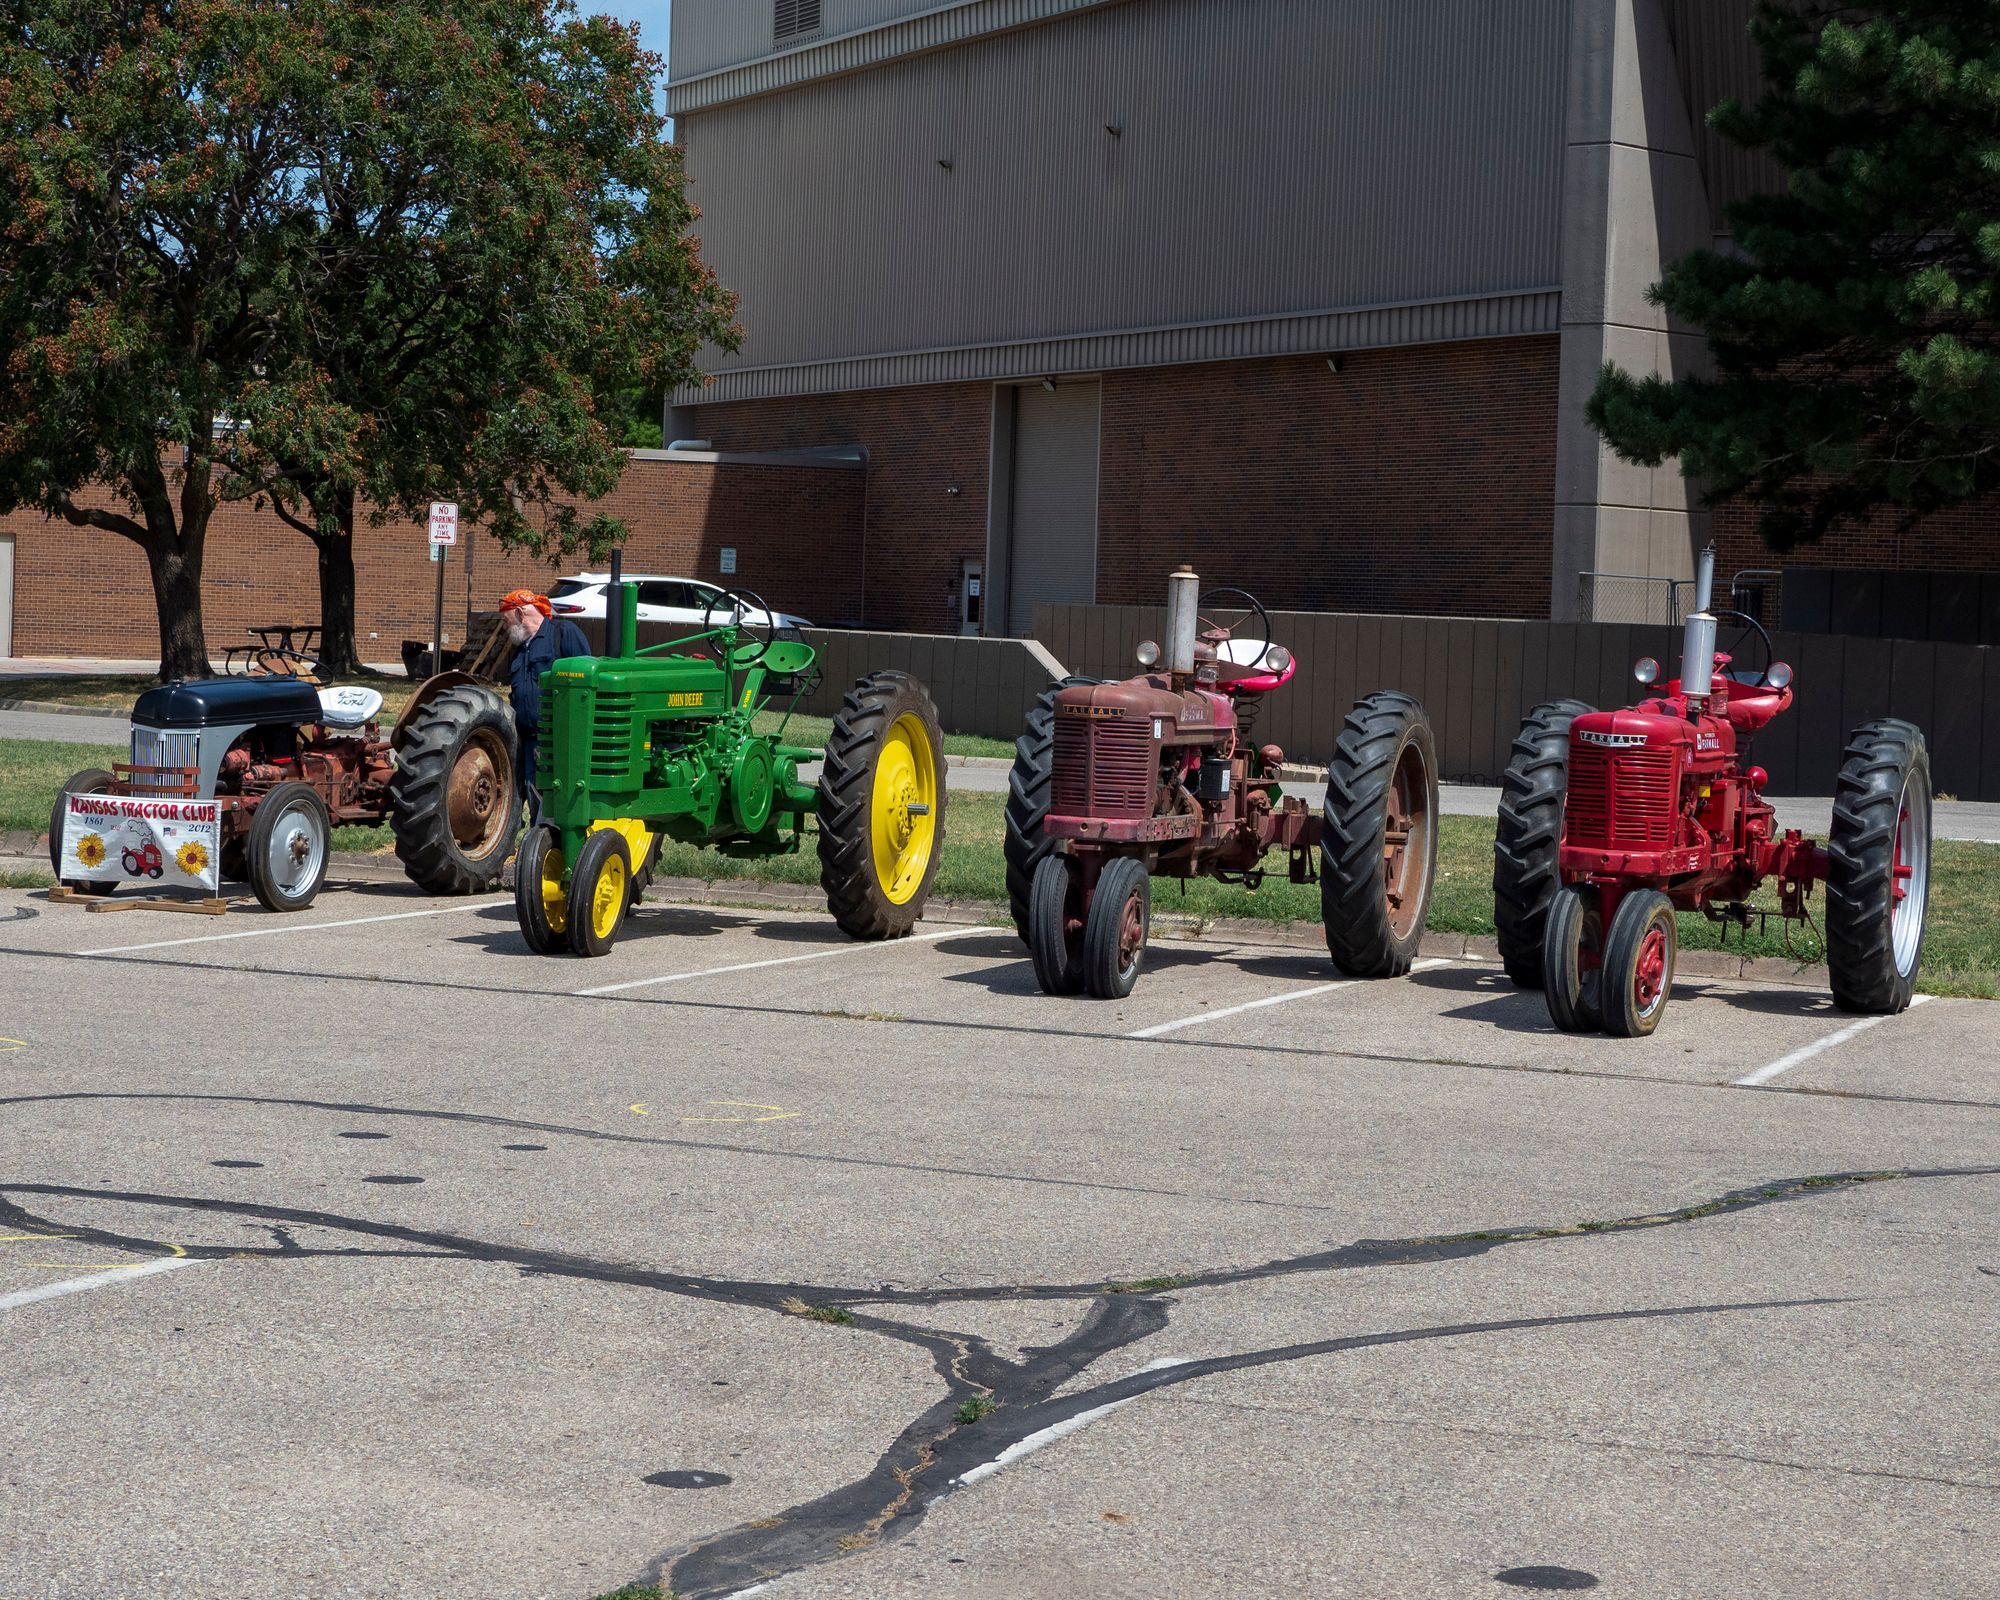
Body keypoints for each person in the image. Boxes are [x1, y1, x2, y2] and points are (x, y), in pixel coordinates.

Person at [499, 588, 591, 800]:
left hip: (557, 742)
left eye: (506, 620)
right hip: (528, 741)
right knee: (534, 800)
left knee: (555, 802)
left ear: (521, 614)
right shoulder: (519, 650)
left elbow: (586, 685)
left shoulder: (563, 633)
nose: (504, 627)